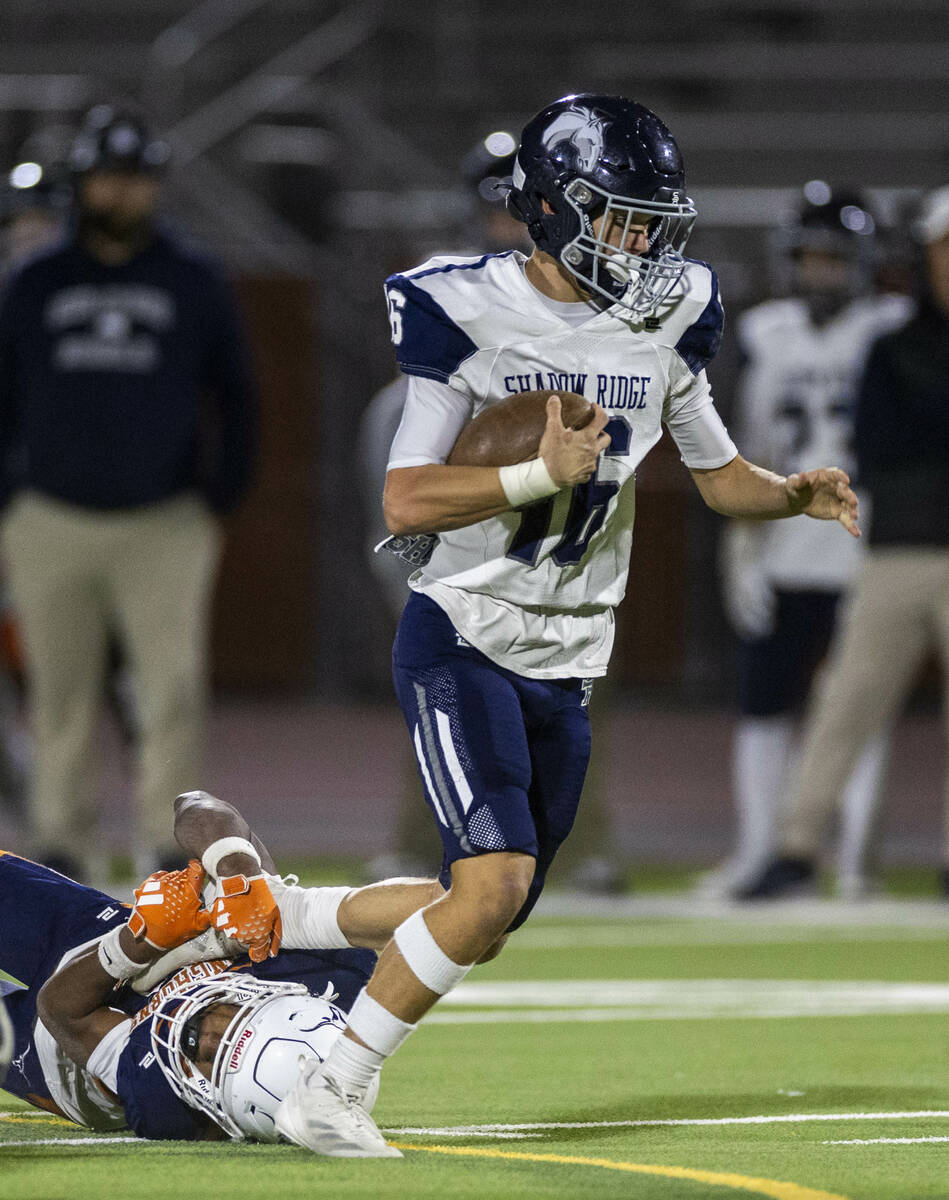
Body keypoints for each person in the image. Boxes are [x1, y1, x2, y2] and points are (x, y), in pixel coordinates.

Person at [270, 92, 861, 1157]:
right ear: (548, 209)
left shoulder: (670, 313)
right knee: (489, 887)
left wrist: (791, 494)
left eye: (649, 224)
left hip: (570, 651)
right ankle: (327, 1085)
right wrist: (540, 468)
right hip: (461, 625)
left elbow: (720, 475)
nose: (638, 245)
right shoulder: (466, 307)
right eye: (618, 219)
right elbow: (407, 500)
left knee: (485, 916)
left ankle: (285, 918)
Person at [0, 105, 258, 880]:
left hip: (165, 519)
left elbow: (238, 392)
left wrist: (220, 495)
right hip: (50, 514)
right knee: (57, 694)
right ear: (84, 184)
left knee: (170, 692)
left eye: (135, 181)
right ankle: (61, 850)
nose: (121, 195)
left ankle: (164, 847)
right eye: (108, 180)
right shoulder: (37, 280)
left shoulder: (191, 277)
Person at [1, 790, 439, 1150]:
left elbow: (61, 1010)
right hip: (90, 936)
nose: (199, 1038)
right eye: (226, 1029)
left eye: (209, 1061)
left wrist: (139, 943)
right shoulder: (320, 966)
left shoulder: (164, 1100)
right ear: (271, 1000)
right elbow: (194, 804)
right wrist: (238, 875)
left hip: (61, 1056)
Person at [738, 183, 949, 898]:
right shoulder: (891, 342)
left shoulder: (884, 336)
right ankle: (793, 849)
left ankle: (861, 858)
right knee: (843, 705)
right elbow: (881, 442)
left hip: (891, 541)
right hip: (891, 547)